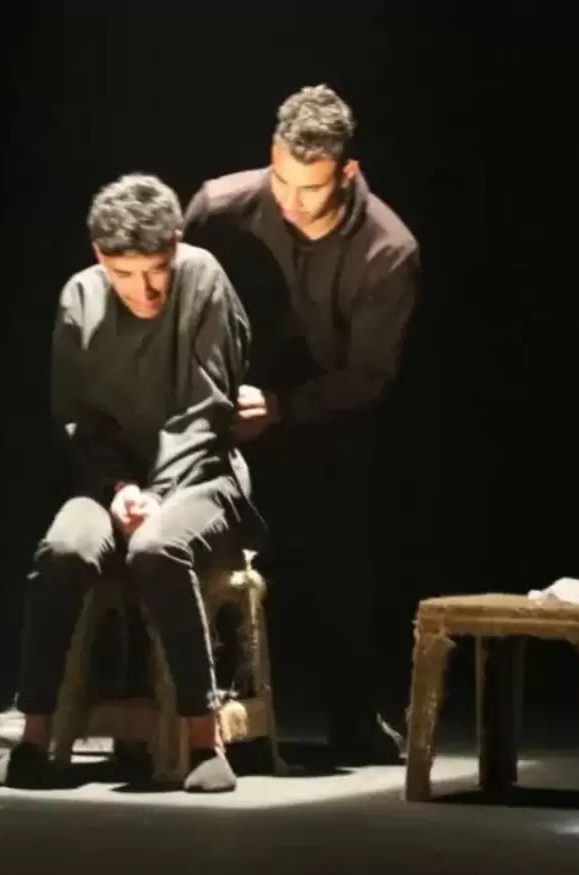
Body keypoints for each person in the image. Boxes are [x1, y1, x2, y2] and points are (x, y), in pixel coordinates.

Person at [0, 173, 256, 793]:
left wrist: (157, 493)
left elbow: (207, 408)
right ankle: (33, 738)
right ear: (100, 258)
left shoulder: (203, 278)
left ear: (175, 246)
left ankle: (204, 740)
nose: (144, 290)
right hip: (116, 484)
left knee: (156, 547)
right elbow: (77, 418)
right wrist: (118, 486)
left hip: (200, 479)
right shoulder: (80, 296)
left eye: (155, 272)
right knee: (64, 548)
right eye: (124, 274)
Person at [183, 84, 419, 765]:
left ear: (346, 172)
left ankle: (354, 720)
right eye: (280, 179)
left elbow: (368, 375)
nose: (289, 200)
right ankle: (186, 709)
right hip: (226, 405)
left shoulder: (387, 249)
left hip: (324, 417)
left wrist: (285, 408)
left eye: (310, 188)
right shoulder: (220, 207)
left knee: (336, 560)